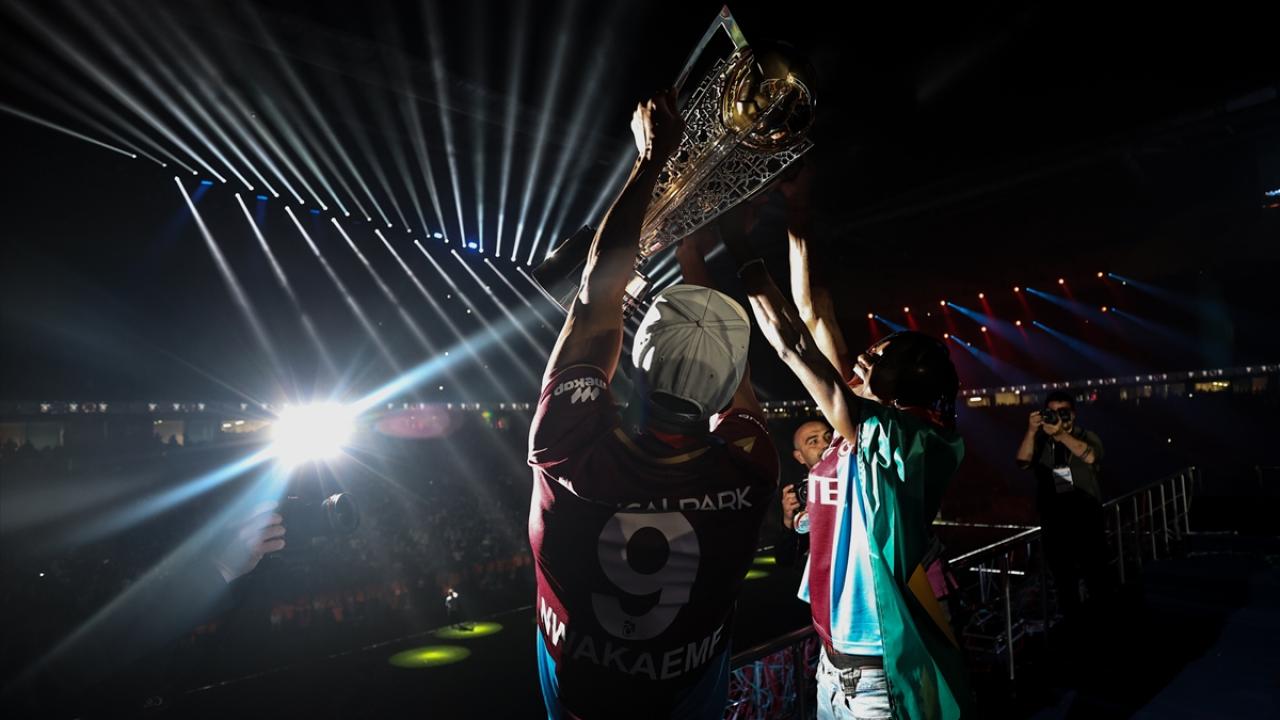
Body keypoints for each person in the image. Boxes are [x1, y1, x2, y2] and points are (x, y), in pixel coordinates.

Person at [527, 89, 779, 719]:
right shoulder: (749, 469)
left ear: (636, 358)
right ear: (728, 390)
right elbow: (731, 386)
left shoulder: (565, 445)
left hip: (579, 700)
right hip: (685, 700)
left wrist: (651, 161)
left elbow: (594, 297)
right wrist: (693, 247)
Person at [721, 170, 972, 719]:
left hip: (877, 678)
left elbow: (793, 343)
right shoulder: (863, 424)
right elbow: (813, 312)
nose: (863, 355)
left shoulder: (905, 439)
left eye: (878, 357)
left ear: (904, 385)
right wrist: (798, 210)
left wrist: (735, 241)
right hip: (833, 667)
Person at [1015, 391, 1108, 620]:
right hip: (1055, 523)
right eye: (1052, 412)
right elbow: (1022, 462)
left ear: (1073, 415)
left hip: (1087, 520)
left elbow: (1090, 457)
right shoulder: (1040, 441)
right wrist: (1031, 430)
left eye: (1063, 412)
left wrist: (1060, 434)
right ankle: (1074, 626)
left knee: (1096, 577)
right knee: (1064, 583)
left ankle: (1103, 623)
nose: (1057, 416)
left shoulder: (1086, 436)